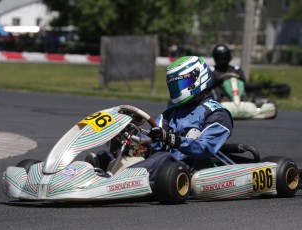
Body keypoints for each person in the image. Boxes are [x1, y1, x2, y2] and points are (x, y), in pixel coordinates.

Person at [89, 56, 233, 181]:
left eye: (180, 84)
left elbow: (205, 148)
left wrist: (171, 139)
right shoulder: (171, 112)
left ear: (198, 79)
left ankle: (116, 180)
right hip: (164, 166)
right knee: (111, 151)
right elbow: (154, 141)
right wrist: (129, 134)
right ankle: (95, 172)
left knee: (162, 158)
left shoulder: (216, 113)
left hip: (189, 168)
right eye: (173, 86)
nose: (176, 90)